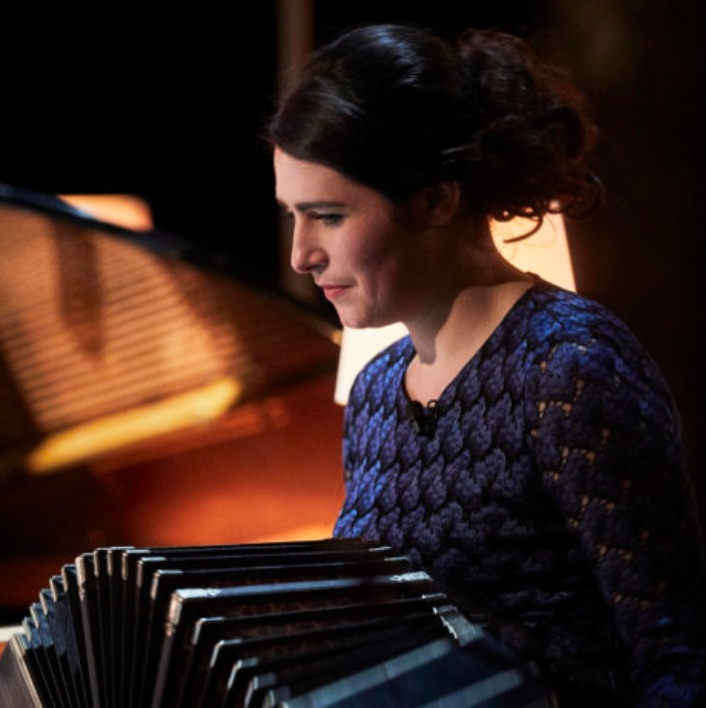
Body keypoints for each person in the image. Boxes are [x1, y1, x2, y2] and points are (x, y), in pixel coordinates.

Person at [268, 23, 704, 706]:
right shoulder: (377, 389)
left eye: (327, 216)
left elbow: (675, 651)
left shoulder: (567, 363)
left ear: (437, 200)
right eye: (293, 214)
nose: (301, 255)